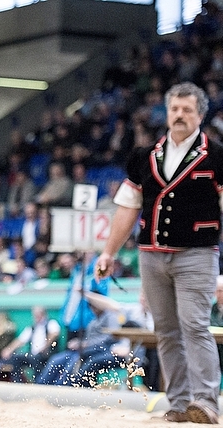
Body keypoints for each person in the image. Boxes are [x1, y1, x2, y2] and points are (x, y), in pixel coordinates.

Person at [95, 82, 223, 424]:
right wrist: (108, 252)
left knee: (194, 326)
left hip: (197, 253)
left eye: (187, 110)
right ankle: (180, 405)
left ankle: (207, 402)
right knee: (166, 330)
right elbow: (126, 208)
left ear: (200, 115)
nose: (179, 115)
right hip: (150, 254)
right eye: (174, 109)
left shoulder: (218, 156)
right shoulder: (144, 156)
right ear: (167, 113)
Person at [0, 305, 61, 383]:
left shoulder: (51, 323)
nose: (36, 317)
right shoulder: (32, 327)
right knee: (15, 358)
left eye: (38, 315)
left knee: (35, 358)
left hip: (46, 354)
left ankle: (38, 382)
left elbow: (54, 334)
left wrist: (45, 346)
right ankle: (18, 382)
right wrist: (8, 350)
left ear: (43, 314)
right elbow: (20, 340)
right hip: (32, 354)